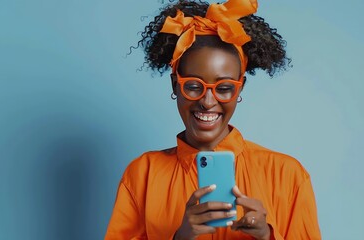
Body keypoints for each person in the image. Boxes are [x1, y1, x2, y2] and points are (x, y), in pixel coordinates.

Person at [105, 0, 321, 239]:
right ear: (175, 85)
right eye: (194, 86)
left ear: (239, 90)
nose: (208, 101)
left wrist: (267, 236)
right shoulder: (142, 175)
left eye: (225, 87)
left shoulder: (287, 174)